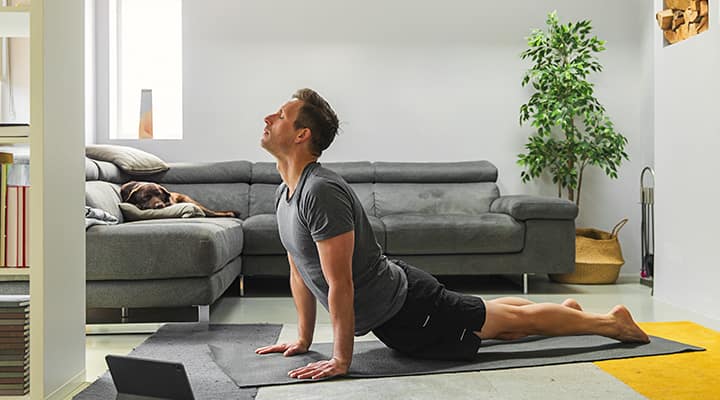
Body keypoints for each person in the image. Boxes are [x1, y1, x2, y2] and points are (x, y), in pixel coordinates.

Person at [255, 88, 650, 380]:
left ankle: (611, 323)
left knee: (510, 325)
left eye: (280, 115)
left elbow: (339, 283)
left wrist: (342, 360)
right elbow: (301, 272)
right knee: (496, 318)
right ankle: (565, 314)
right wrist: (304, 339)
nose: (268, 118)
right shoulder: (285, 194)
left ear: (302, 134)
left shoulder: (320, 191)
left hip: (409, 308)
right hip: (398, 311)